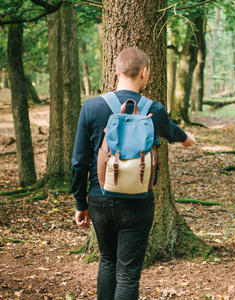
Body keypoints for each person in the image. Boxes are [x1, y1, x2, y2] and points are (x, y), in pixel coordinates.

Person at [71, 47, 196, 299]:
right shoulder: (154, 110)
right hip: (138, 201)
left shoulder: (92, 107)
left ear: (116, 71)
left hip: (100, 197)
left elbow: (78, 162)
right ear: (145, 73)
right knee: (128, 274)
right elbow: (171, 131)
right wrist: (186, 138)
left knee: (107, 261)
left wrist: (80, 203)